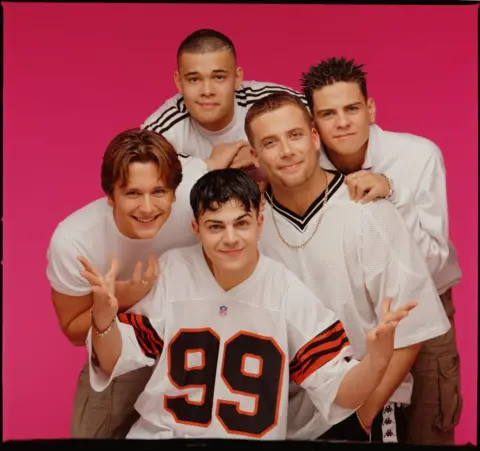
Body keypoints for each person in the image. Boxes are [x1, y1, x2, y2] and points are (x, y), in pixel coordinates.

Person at [82, 168, 415, 439]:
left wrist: (377, 361)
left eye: (241, 223)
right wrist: (103, 321)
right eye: (215, 226)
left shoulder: (286, 292)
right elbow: (115, 358)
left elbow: (339, 393)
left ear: (259, 222)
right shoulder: (173, 270)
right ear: (196, 229)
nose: (230, 238)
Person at [244, 92, 452, 443]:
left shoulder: (367, 210)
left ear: (313, 138)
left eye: (295, 136)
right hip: (277, 417)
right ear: (255, 154)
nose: (286, 151)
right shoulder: (248, 224)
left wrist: (361, 418)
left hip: (362, 408)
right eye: (270, 142)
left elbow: (410, 331)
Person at [300, 57, 463, 445]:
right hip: (349, 313)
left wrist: (390, 193)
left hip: (422, 309)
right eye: (328, 113)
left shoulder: (417, 157)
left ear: (370, 109)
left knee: (429, 425)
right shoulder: (307, 169)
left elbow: (434, 260)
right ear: (314, 124)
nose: (342, 122)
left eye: (352, 108)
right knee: (345, 425)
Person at [46, 129, 240, 438]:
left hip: (193, 345)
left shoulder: (194, 191)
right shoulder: (75, 241)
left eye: (159, 192)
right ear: (110, 196)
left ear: (175, 192)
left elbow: (236, 159)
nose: (147, 208)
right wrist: (123, 297)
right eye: (132, 193)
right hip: (120, 345)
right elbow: (72, 330)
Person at [142, 29, 306, 175]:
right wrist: (207, 166)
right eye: (194, 79)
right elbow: (135, 183)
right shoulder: (162, 131)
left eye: (219, 77)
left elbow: (326, 128)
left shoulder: (273, 103)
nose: (207, 91)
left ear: (237, 78)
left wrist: (261, 153)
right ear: (179, 82)